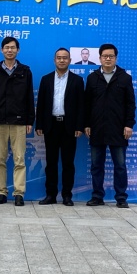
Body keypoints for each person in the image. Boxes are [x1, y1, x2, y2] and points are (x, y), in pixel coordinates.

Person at [0, 36, 35, 207]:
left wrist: (29, 121)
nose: (9, 50)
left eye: (13, 47)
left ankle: (19, 193)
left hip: (19, 122)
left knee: (19, 160)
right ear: (1, 50)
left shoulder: (25, 71)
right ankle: (1, 192)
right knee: (0, 159)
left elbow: (29, 97)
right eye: (6, 47)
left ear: (18, 50)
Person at [84, 43, 135, 208]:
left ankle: (121, 197)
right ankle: (97, 196)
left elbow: (130, 104)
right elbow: (87, 104)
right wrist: (87, 124)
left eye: (111, 56)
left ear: (115, 58)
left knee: (120, 165)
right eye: (105, 56)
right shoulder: (92, 78)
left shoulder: (124, 78)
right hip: (97, 128)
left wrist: (129, 125)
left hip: (118, 128)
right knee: (96, 165)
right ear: (99, 58)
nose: (108, 59)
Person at [35, 47, 84, 206]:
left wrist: (79, 126)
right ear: (54, 60)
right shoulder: (46, 79)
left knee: (68, 163)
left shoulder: (77, 80)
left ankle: (67, 196)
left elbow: (81, 106)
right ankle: (50, 195)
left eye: (65, 58)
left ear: (70, 60)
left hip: (69, 127)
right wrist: (39, 124)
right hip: (51, 126)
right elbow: (41, 104)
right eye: (59, 57)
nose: (62, 60)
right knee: (51, 163)